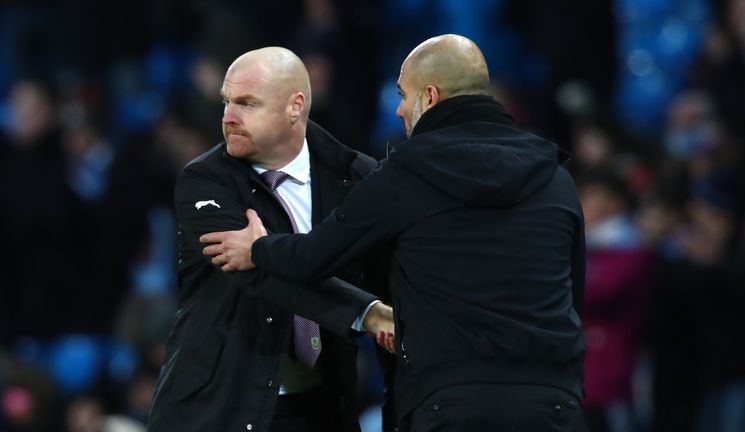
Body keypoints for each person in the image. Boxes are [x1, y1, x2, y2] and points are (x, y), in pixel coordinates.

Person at [202, 34, 588, 431]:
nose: (400, 109)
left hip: (449, 403)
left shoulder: (405, 175)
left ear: (431, 97)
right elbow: (573, 297)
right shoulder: (555, 177)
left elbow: (315, 256)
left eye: (404, 94)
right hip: (553, 403)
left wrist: (259, 249)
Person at [147, 47, 395, 432]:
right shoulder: (205, 180)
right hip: (219, 407)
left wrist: (261, 251)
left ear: (295, 106)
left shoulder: (355, 176)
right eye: (226, 102)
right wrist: (367, 313)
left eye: (247, 104)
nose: (228, 117)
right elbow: (264, 278)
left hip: (322, 404)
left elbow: (387, 277)